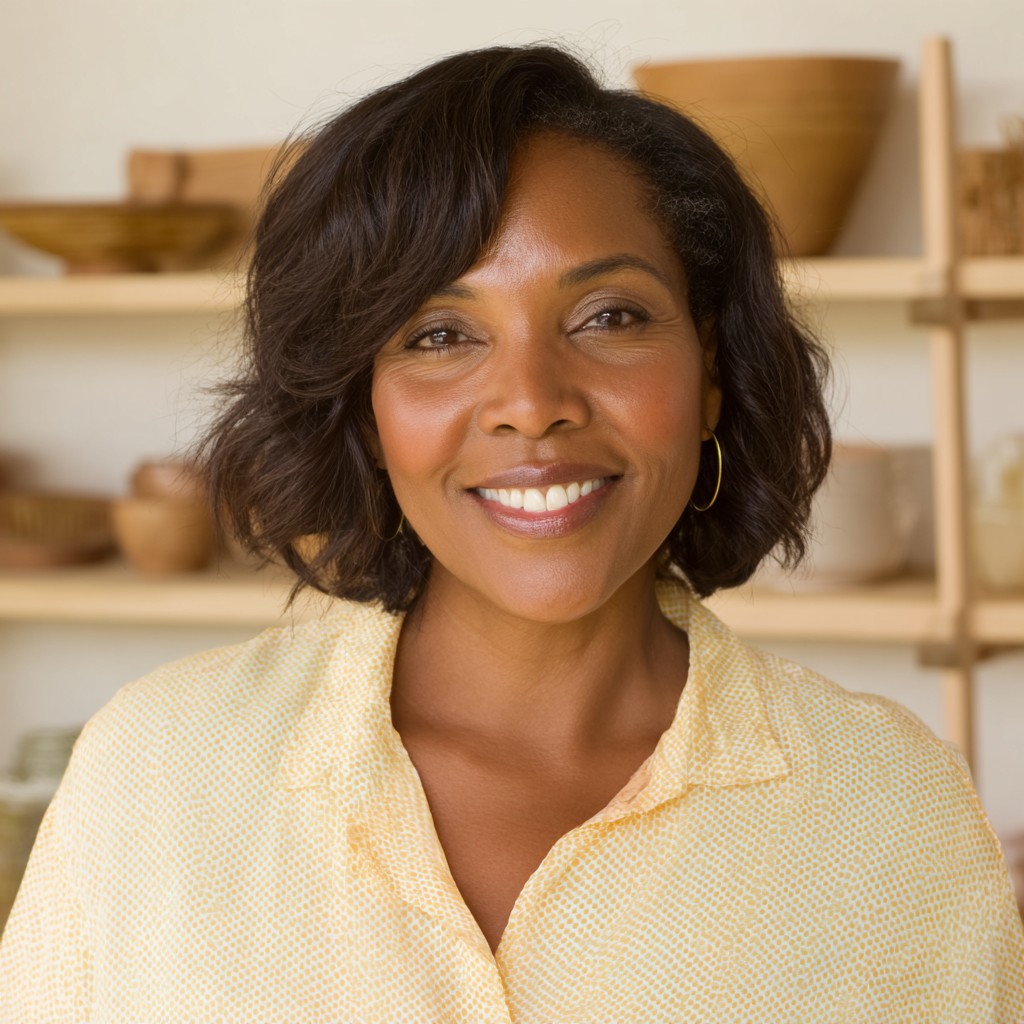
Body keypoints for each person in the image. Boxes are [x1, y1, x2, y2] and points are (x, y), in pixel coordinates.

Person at [1, 43, 1022, 1023]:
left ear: (709, 373)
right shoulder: (155, 772)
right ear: (365, 409)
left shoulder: (891, 814)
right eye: (440, 334)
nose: (531, 403)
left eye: (609, 316)